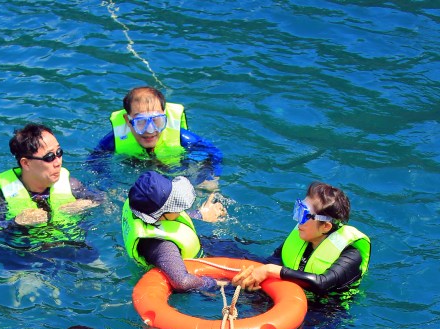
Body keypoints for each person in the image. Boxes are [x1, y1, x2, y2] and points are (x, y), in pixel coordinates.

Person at [232, 182, 371, 300]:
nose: (298, 219)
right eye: (298, 209)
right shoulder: (303, 236)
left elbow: (322, 283)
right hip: (289, 293)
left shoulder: (351, 256)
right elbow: (272, 261)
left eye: (304, 214)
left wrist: (269, 270)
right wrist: (248, 277)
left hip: (326, 309)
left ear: (325, 226)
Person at [91, 85, 222, 188]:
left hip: (173, 169)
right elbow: (94, 162)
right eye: (141, 121)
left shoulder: (181, 137)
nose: (150, 130)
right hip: (135, 168)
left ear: (165, 117)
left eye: (156, 120)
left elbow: (214, 153)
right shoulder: (114, 140)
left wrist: (209, 178)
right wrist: (106, 185)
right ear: (127, 120)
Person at [122, 170, 226, 292]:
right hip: (188, 278)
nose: (180, 209)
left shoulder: (140, 205)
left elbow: (169, 220)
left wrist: (200, 214)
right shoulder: (162, 245)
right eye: (175, 206)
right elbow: (182, 282)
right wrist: (215, 284)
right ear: (159, 215)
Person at [0, 123, 101, 226]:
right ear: (26, 163)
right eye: (49, 157)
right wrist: (16, 223)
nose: (58, 162)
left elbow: (103, 200)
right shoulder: (1, 197)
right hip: (27, 242)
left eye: (59, 152)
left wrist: (85, 204)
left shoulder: (72, 185)